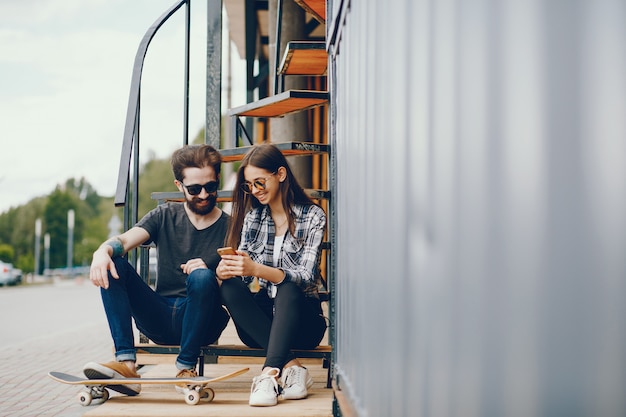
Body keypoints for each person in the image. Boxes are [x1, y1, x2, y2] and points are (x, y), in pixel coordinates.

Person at [84, 144, 230, 396]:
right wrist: (101, 251)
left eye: (211, 186)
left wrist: (212, 274)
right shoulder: (165, 215)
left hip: (201, 320)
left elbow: (243, 280)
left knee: (202, 275)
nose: (204, 194)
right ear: (179, 186)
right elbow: (125, 241)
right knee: (114, 264)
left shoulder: (231, 226)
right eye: (194, 189)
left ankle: (186, 368)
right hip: (160, 315)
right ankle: (127, 365)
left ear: (217, 180)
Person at [217, 143, 328, 407]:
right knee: (229, 287)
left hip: (303, 321)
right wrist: (229, 270)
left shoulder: (313, 216)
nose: (255, 191)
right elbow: (243, 279)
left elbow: (305, 276)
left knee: (288, 285)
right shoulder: (254, 218)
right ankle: (293, 368)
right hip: (261, 325)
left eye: (260, 182)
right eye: (249, 185)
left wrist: (257, 269)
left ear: (280, 174)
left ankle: (268, 374)